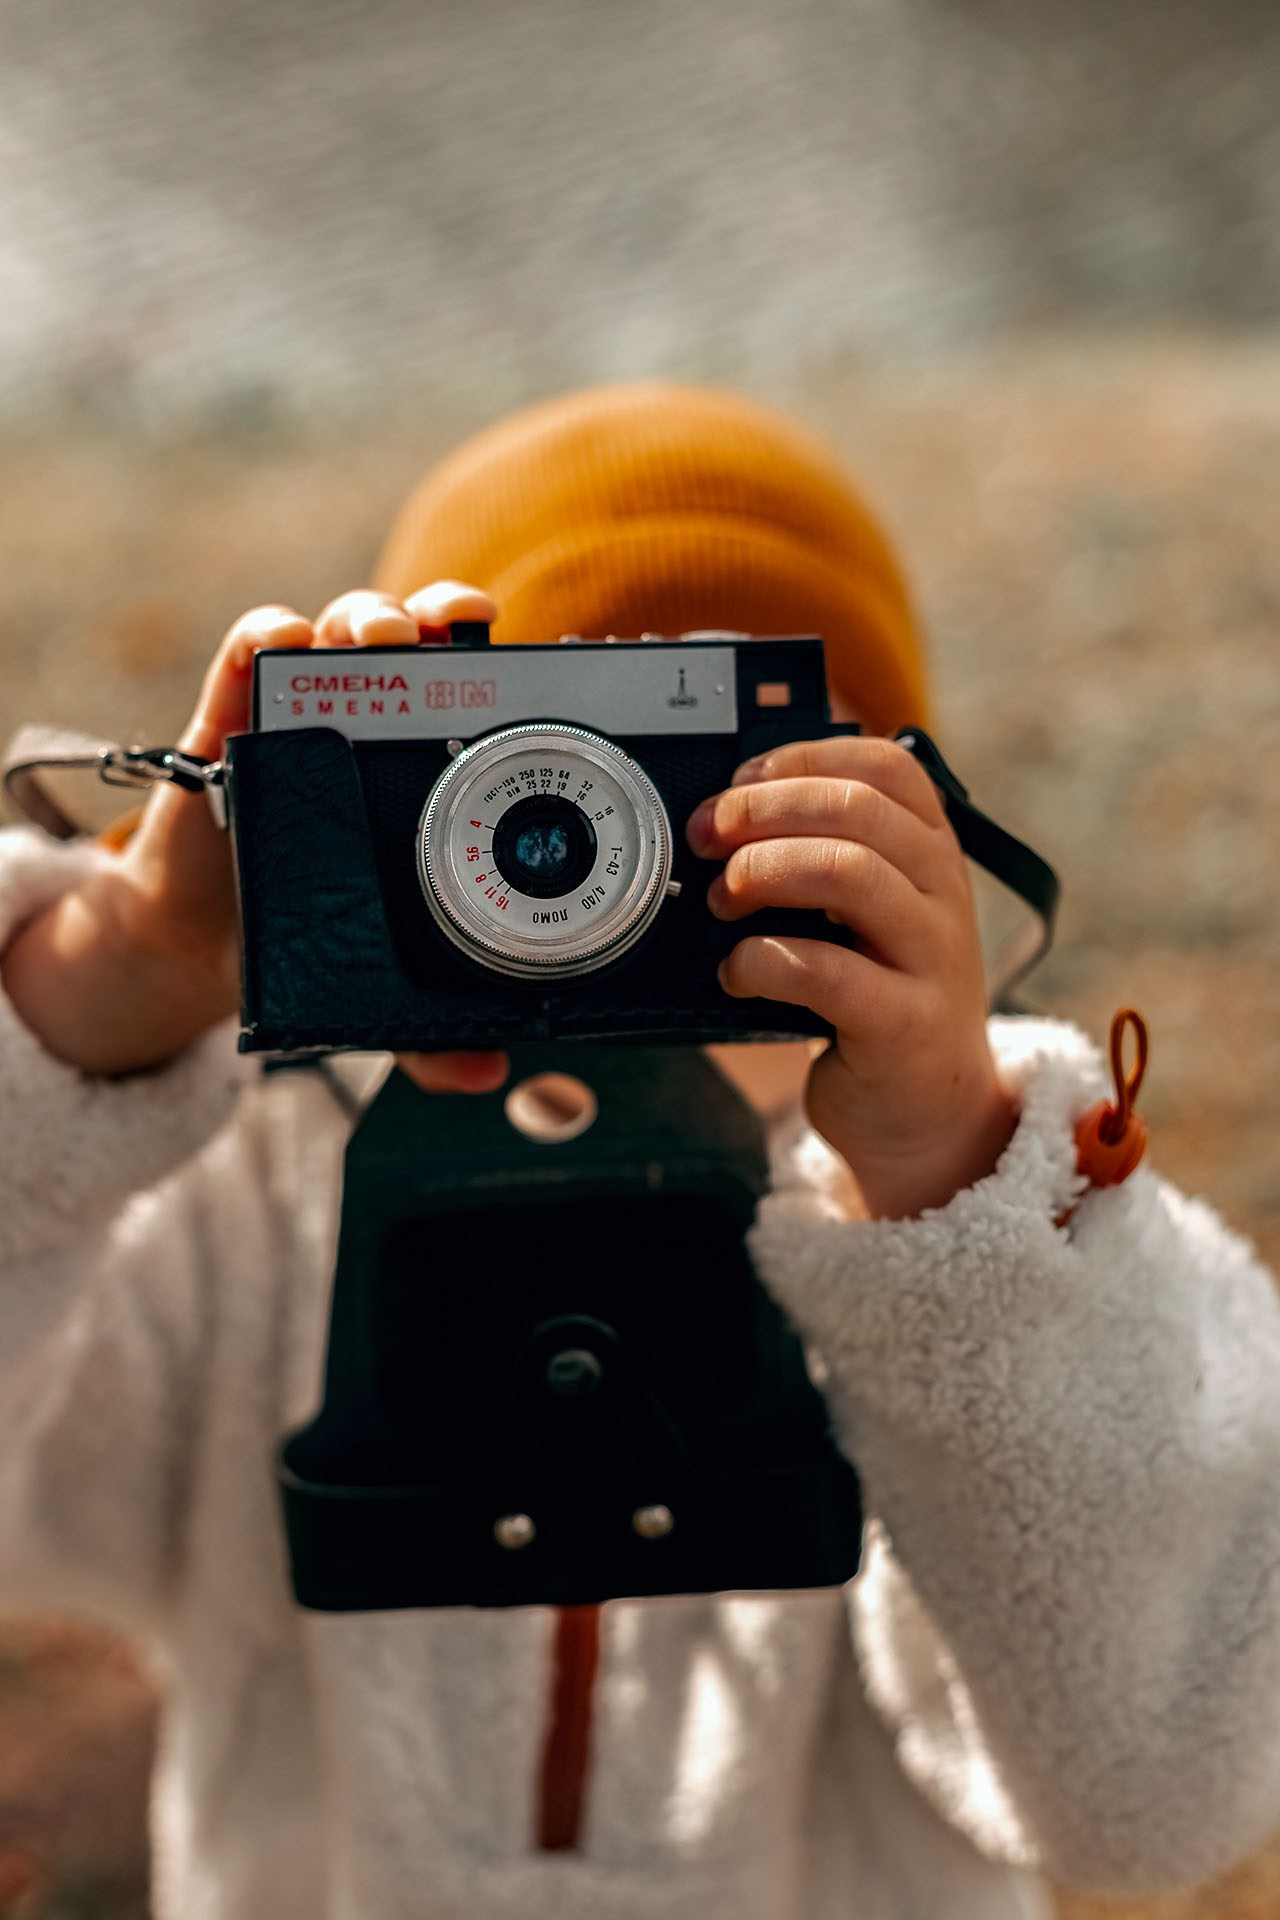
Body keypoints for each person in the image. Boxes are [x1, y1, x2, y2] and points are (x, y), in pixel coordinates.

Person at [1, 383, 1279, 1920]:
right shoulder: (249, 1208)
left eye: (706, 800)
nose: (591, 874)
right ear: (373, 805)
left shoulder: (987, 1231)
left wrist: (955, 1183)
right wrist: (96, 1004)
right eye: (531, 789)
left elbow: (1155, 1802)